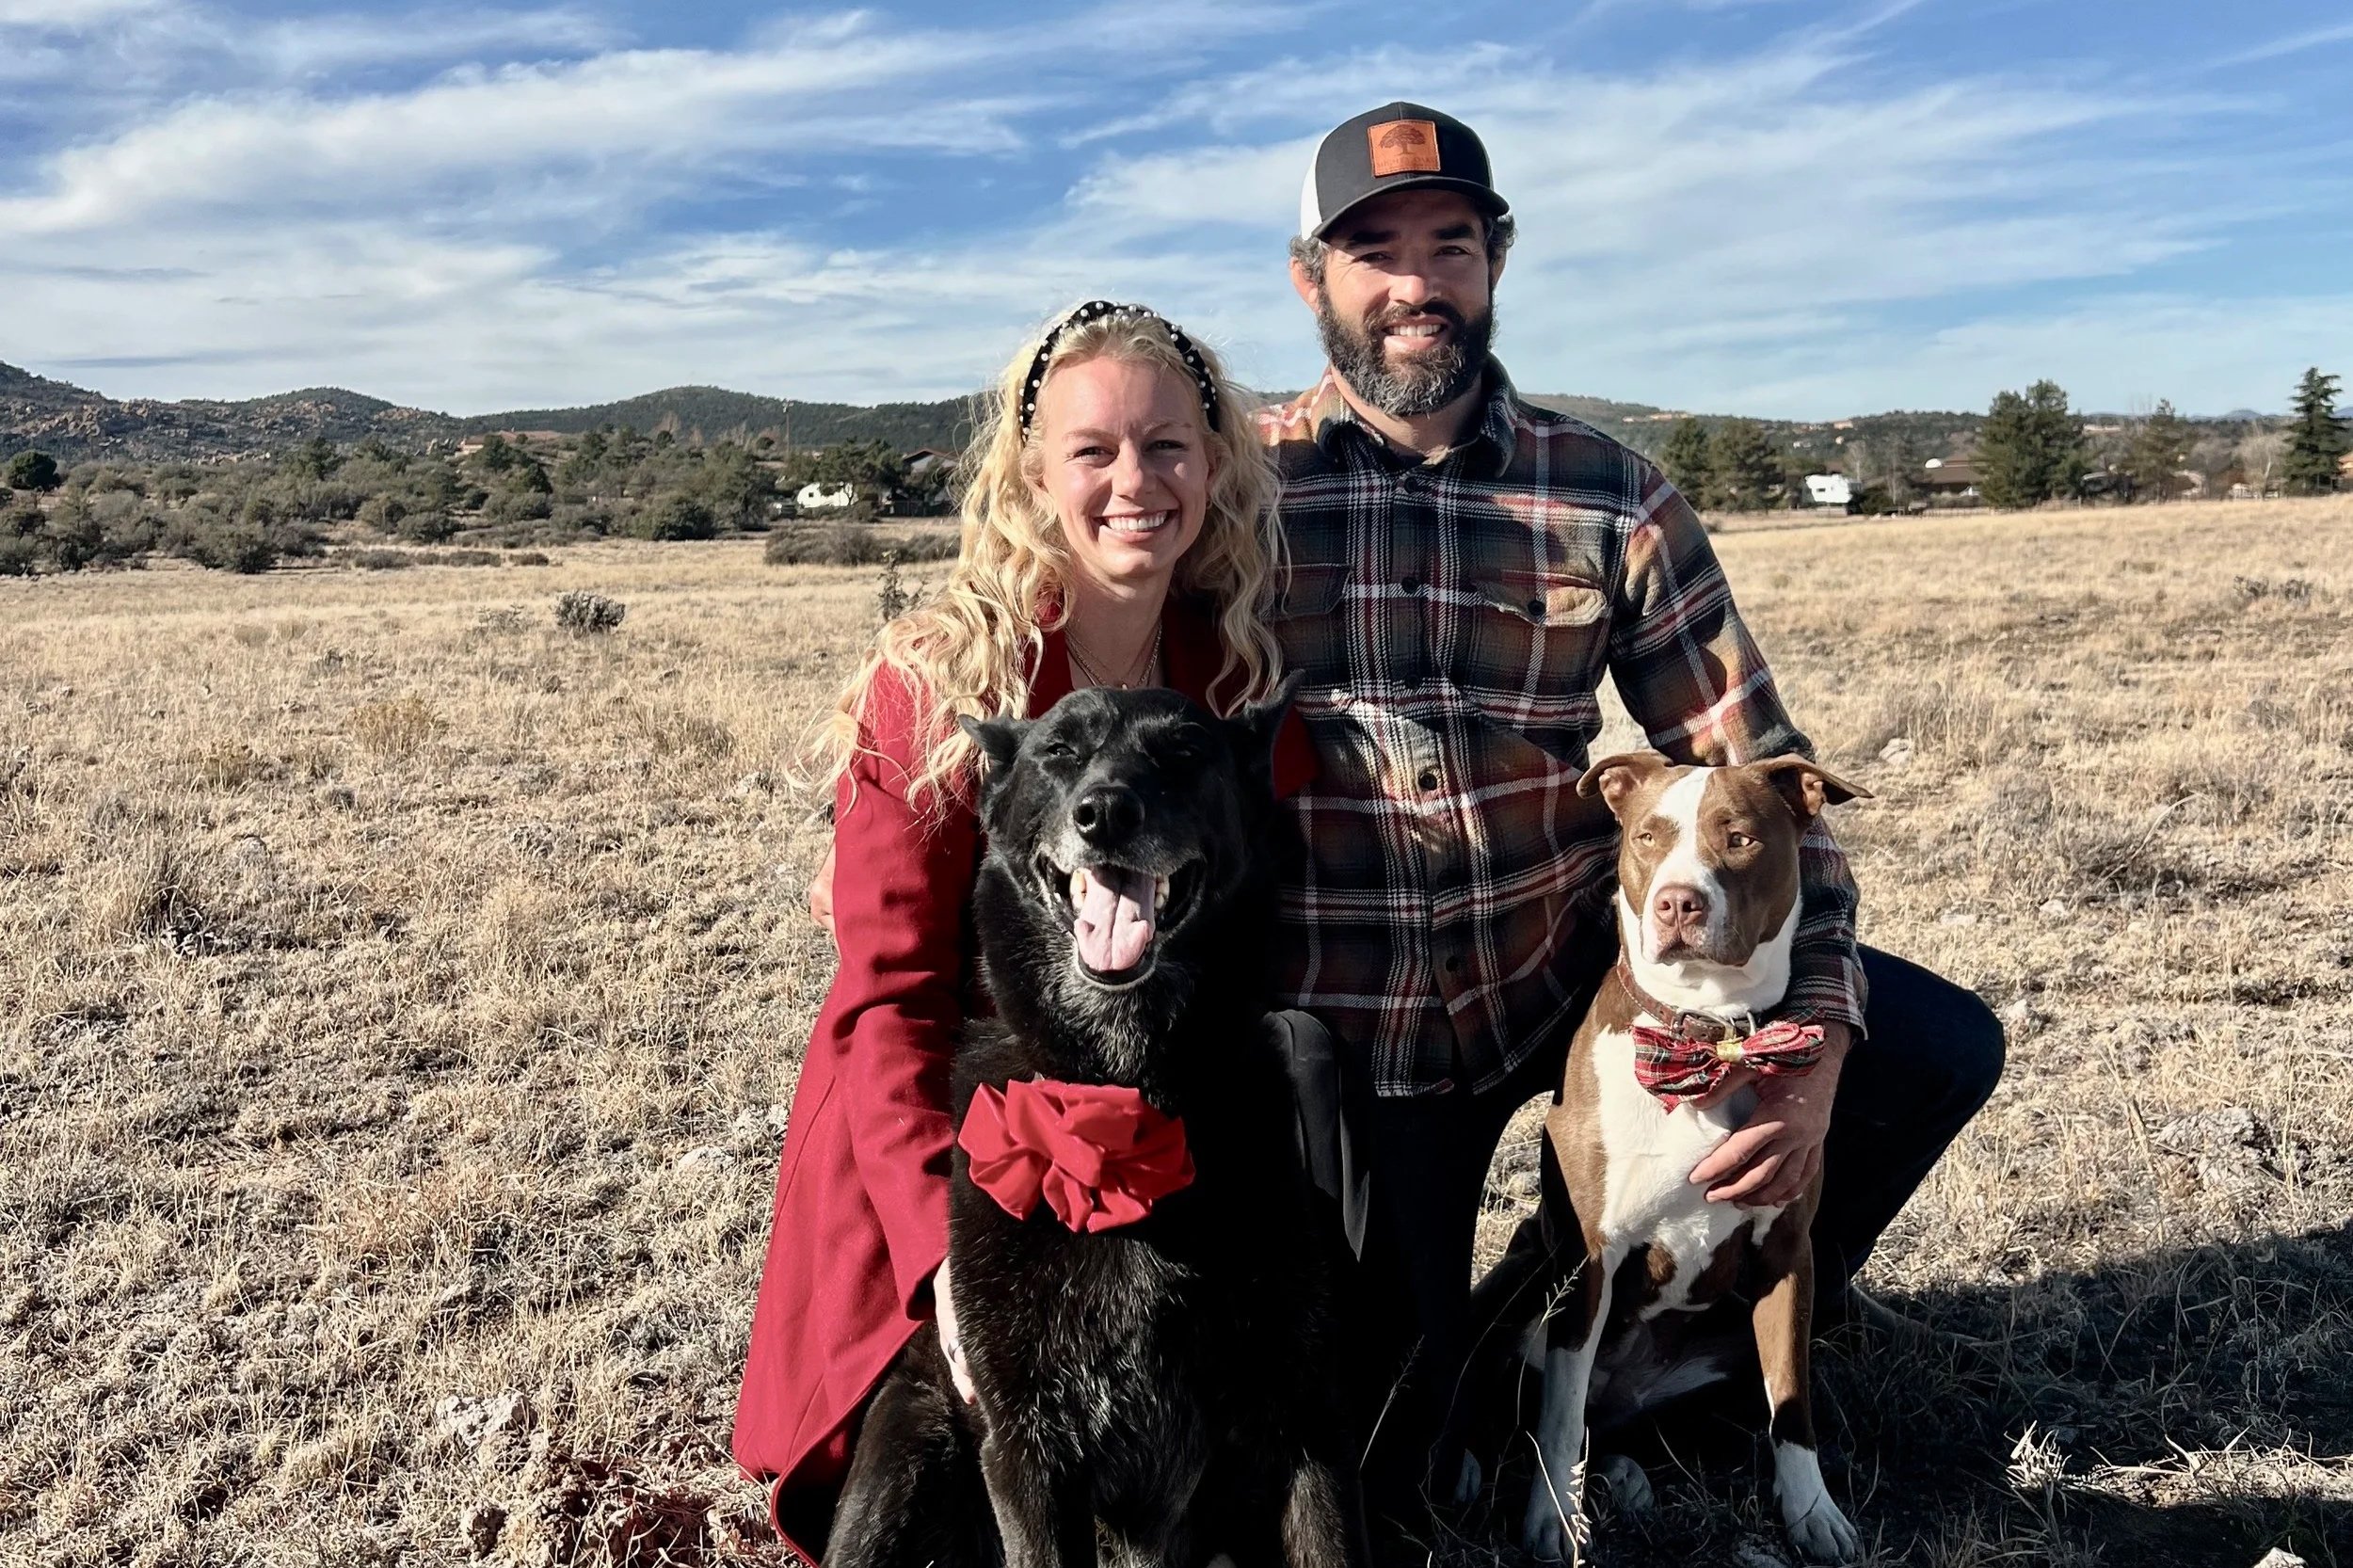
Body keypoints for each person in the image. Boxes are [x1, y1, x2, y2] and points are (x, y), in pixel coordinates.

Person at [1260, 103, 2006, 1522]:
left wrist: (1816, 1041)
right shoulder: (1241, 486)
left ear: (1498, 259)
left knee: (1933, 1047)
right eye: (1374, 251)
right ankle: (1519, 1315)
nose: (1416, 282)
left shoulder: (1610, 495)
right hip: (1349, 1032)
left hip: (1563, 982)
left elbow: (1762, 769)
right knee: (1388, 1465)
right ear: (1312, 277)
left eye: (1452, 244)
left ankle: (1701, 1351)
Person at [730, 299, 1316, 1560]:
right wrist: (944, 1255)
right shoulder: (938, 682)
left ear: (1215, 466)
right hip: (956, 1129)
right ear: (1033, 473)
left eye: (1166, 446)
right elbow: (888, 998)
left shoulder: (1226, 677)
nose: (1134, 482)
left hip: (1155, 1115)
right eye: (1092, 450)